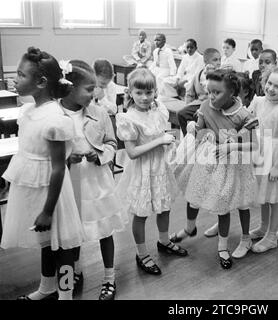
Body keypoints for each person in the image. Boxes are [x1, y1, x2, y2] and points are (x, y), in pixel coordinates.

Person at [0, 47, 85, 300]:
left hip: (53, 194)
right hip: (33, 186)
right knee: (46, 242)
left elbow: (59, 168)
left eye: (21, 75)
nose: (15, 79)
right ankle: (47, 287)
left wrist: (48, 210)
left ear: (41, 82)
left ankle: (66, 293)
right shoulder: (27, 111)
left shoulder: (55, 119)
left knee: (64, 246)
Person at [170, 70, 258, 266]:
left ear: (232, 92)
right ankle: (189, 227)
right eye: (209, 91)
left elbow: (254, 144)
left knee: (223, 204)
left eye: (216, 92)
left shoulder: (242, 114)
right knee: (193, 194)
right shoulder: (205, 105)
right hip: (207, 159)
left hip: (232, 163)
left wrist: (232, 145)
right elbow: (200, 129)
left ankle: (223, 246)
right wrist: (194, 127)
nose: (211, 96)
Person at [59, 60, 128, 300]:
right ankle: (70, 279)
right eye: (89, 89)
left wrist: (99, 154)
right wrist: (67, 158)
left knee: (104, 230)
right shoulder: (56, 114)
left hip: (97, 182)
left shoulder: (100, 113)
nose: (94, 94)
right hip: (68, 184)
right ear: (69, 87)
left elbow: (112, 143)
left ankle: (109, 277)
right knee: (70, 235)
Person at [115, 68, 188, 276]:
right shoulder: (128, 118)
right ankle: (141, 253)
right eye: (139, 93)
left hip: (160, 167)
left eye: (149, 92)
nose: (145, 98)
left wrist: (169, 143)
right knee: (141, 213)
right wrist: (159, 140)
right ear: (130, 92)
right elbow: (132, 152)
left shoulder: (158, 109)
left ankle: (164, 241)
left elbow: (162, 134)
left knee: (164, 207)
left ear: (155, 91)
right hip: (142, 171)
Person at [248, 66, 278, 253]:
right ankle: (263, 226)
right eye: (269, 83)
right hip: (260, 151)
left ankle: (272, 236)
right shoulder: (259, 101)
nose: (271, 88)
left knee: (275, 198)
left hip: (276, 155)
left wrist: (277, 166)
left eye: (277, 86)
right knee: (265, 195)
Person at [176, 48, 221, 135]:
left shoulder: (221, 75)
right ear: (205, 61)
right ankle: (189, 138)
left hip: (216, 106)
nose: (219, 62)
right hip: (199, 104)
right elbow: (190, 93)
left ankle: (205, 139)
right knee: (181, 113)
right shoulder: (198, 74)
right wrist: (187, 105)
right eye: (215, 60)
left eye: (220, 59)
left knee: (203, 117)